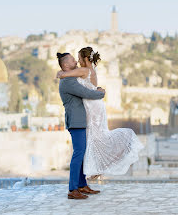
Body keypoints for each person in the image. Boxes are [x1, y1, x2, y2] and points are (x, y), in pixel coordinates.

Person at [57, 47, 144, 181]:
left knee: (95, 137)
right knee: (98, 137)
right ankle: (98, 168)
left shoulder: (84, 70)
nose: (78, 61)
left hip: (92, 104)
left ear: (86, 59)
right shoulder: (92, 70)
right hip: (96, 104)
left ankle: (98, 169)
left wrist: (61, 72)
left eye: (79, 58)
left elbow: (63, 75)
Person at [57, 52, 105, 199]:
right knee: (78, 154)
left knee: (82, 153)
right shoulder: (68, 82)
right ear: (66, 65)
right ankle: (73, 189)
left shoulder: (71, 78)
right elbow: (86, 93)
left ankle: (82, 185)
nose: (75, 62)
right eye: (72, 60)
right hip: (76, 122)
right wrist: (101, 93)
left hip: (80, 121)